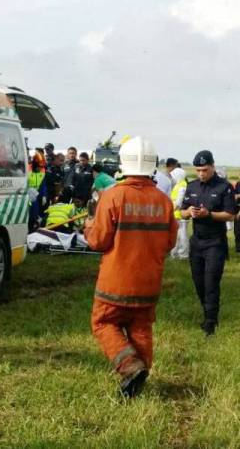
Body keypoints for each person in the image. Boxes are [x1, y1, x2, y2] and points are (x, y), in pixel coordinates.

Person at [85, 136, 177, 398]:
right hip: (149, 283)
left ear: (123, 163)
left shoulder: (113, 196)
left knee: (103, 323)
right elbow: (169, 242)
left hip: (115, 283)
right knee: (140, 327)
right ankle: (139, 378)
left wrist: (90, 221)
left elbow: (98, 240)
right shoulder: (164, 201)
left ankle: (129, 366)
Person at [180, 150, 235, 335]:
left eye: (204, 169)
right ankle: (207, 311)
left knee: (211, 282)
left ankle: (211, 322)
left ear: (212, 166)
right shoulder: (192, 186)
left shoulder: (224, 187)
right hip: (196, 242)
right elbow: (182, 211)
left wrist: (209, 214)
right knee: (199, 282)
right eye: (198, 170)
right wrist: (189, 213)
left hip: (215, 243)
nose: (201, 173)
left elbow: (231, 215)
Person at [170, 167, 189, 259]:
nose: (172, 178)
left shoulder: (182, 185)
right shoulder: (179, 184)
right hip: (177, 213)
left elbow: (179, 201)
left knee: (182, 235)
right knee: (178, 235)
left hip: (180, 214)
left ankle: (183, 254)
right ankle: (176, 252)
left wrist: (172, 210)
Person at [27, 159, 44, 232]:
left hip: (36, 195)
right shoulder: (27, 171)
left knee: (36, 211)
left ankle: (34, 226)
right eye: (38, 167)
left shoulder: (42, 172)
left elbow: (43, 185)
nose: (40, 168)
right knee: (30, 212)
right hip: (28, 195)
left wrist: (44, 195)